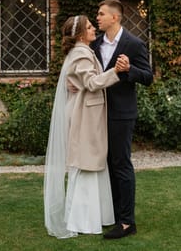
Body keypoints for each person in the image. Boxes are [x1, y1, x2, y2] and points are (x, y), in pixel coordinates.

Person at [44, 14, 125, 239]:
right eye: (89, 27)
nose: (93, 30)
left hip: (89, 112)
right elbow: (91, 82)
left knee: (92, 161)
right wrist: (116, 72)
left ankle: (94, 216)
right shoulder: (81, 53)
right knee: (86, 162)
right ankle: (83, 220)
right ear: (80, 34)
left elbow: (81, 82)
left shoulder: (83, 51)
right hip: (85, 114)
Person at [91, 0, 154, 239]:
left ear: (114, 17)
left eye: (101, 14)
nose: (97, 18)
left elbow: (148, 77)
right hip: (96, 113)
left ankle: (127, 222)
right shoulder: (94, 45)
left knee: (121, 163)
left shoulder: (134, 44)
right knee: (106, 164)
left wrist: (129, 70)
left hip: (122, 114)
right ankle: (114, 215)